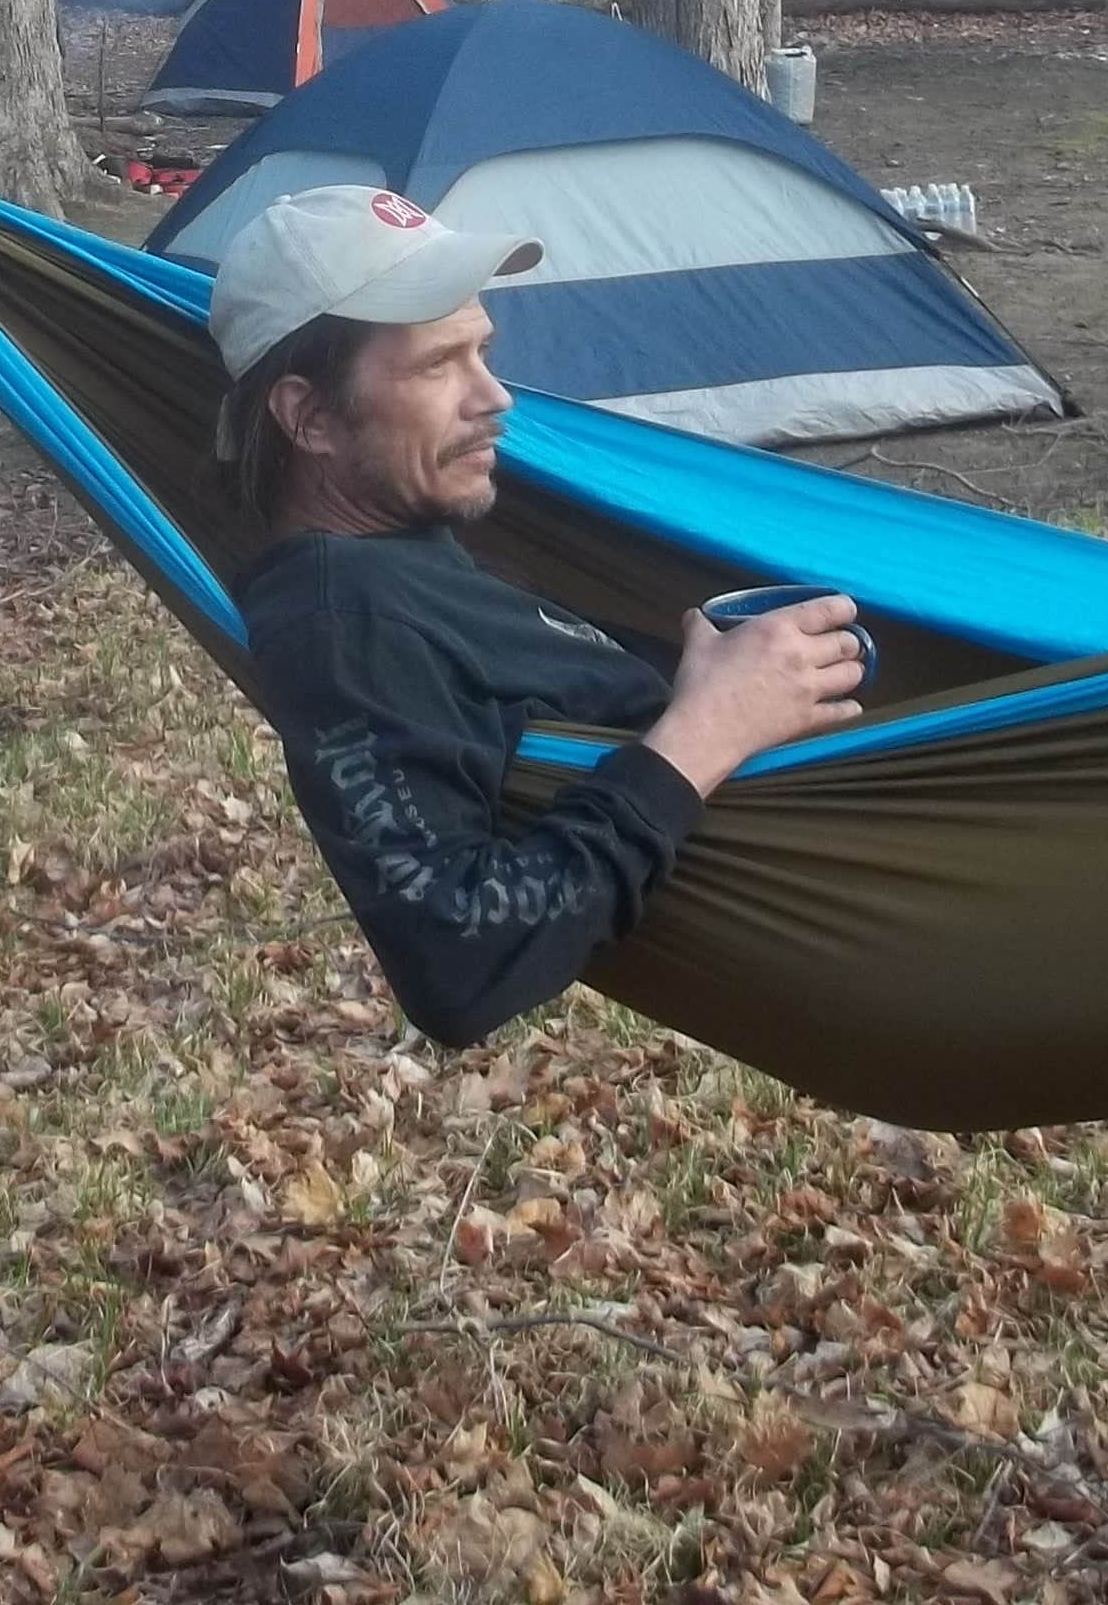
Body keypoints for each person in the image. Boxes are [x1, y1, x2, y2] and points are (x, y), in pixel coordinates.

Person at [209, 184, 866, 1046]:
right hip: (862, 896)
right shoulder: (344, 626)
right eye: (439, 366)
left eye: (482, 351)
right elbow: (456, 964)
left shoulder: (405, 537)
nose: (495, 397)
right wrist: (707, 729)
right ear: (312, 418)